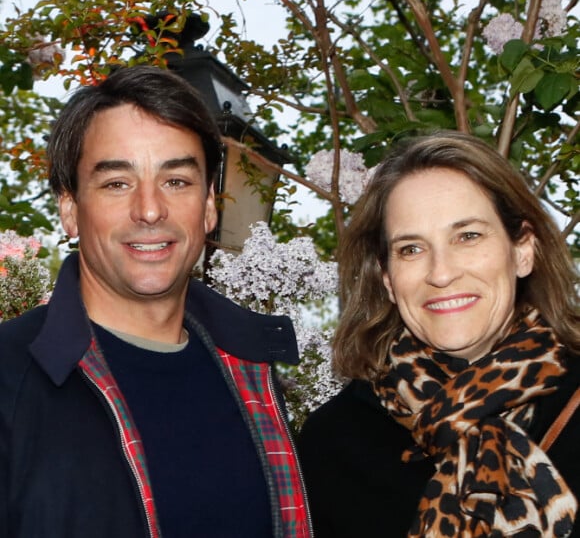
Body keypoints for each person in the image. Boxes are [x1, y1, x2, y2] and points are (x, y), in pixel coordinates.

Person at [0, 65, 311, 538]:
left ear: (209, 206)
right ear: (70, 209)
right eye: (117, 183)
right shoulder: (8, 380)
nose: (149, 209)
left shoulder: (253, 373)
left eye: (176, 181)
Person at [298, 131, 579, 538]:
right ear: (388, 279)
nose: (441, 273)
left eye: (468, 236)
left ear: (522, 250)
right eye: (411, 249)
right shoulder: (336, 441)